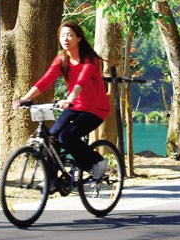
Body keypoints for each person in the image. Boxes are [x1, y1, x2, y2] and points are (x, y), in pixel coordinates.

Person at [13, 21, 111, 187]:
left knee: (67, 136)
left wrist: (70, 98)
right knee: (52, 137)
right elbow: (45, 81)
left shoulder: (90, 59)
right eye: (62, 35)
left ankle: (97, 162)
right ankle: (53, 180)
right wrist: (25, 98)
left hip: (96, 109)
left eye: (70, 35)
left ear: (79, 38)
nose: (65, 39)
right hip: (75, 106)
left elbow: (82, 81)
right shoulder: (62, 58)